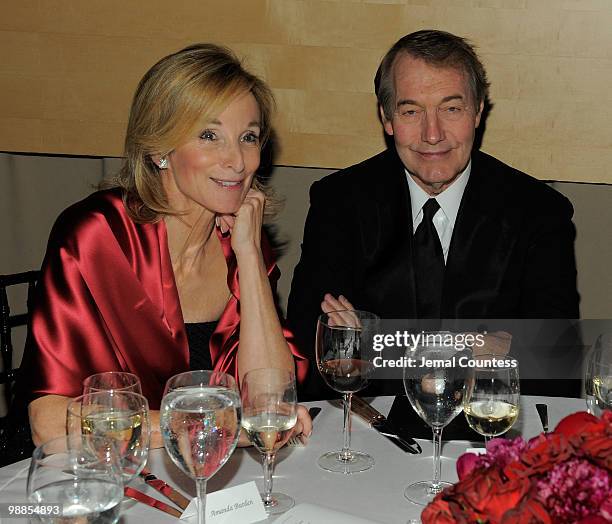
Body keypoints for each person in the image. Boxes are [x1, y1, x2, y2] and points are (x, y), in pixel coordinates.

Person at [20, 44, 311, 446]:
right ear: (160, 148)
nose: (238, 161)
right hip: (107, 480)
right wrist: (211, 426)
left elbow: (269, 403)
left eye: (248, 137)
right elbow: (50, 423)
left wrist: (247, 253)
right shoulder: (96, 237)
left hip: (212, 480)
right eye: (210, 135)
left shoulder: (243, 240)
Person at [288, 30, 580, 400]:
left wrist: (377, 343)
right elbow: (308, 342)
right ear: (387, 118)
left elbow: (555, 360)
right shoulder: (339, 202)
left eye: (451, 108)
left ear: (477, 111)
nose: (432, 134)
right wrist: (476, 348)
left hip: (489, 431)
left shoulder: (538, 212)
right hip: (371, 435)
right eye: (411, 111)